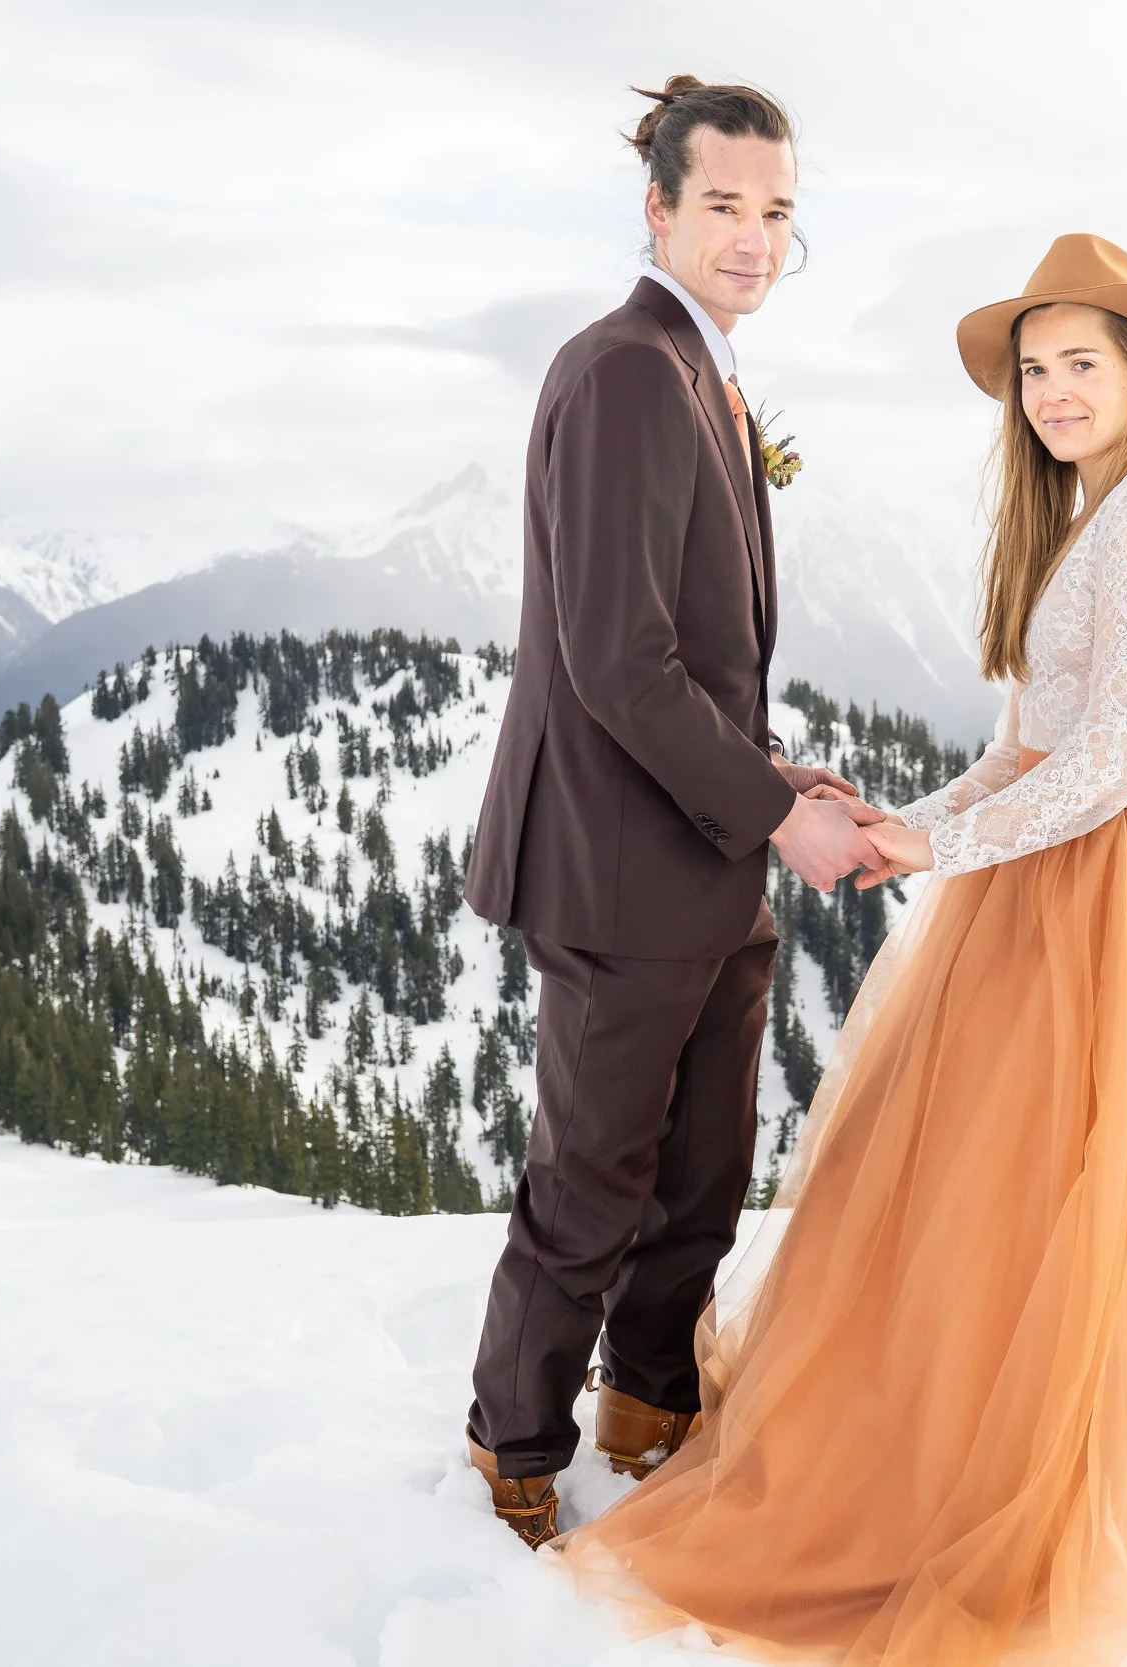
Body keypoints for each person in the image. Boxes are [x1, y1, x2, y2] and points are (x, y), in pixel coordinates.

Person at [554, 233, 1127, 1667]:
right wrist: (898, 821)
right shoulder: (1090, 506)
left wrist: (931, 849)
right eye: (1036, 368)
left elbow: (1116, 764)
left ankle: (992, 1488)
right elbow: (1024, 750)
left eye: (1083, 363)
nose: (1055, 392)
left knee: (1034, 1197)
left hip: (1102, 892)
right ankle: (933, 1446)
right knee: (973, 1189)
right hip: (1041, 884)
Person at [456, 75, 885, 1549]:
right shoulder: (630, 368)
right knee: (593, 1181)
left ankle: (651, 1400)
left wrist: (783, 774)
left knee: (702, 1169)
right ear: (657, 207)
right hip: (620, 869)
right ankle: (513, 1436)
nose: (755, 238)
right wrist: (779, 813)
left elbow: (696, 655)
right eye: (724, 206)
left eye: (777, 212)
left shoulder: (707, 371)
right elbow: (617, 662)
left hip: (705, 865)